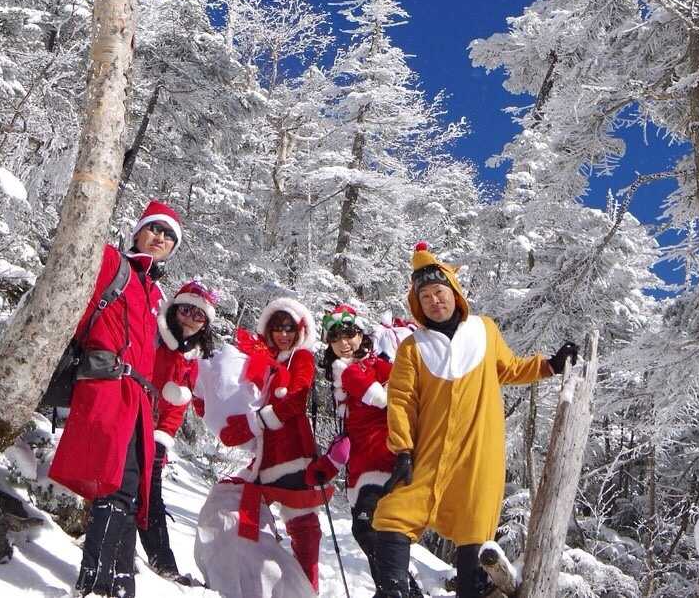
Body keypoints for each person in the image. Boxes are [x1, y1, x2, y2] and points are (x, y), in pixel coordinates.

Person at [367, 243, 579, 598]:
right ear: (417, 304)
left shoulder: (484, 330)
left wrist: (549, 365)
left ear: (454, 293)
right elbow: (401, 400)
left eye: (440, 292)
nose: (434, 301)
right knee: (394, 513)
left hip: (479, 453)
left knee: (475, 527)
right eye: (425, 297)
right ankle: (393, 591)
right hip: (430, 452)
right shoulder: (413, 346)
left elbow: (509, 368)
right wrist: (403, 449)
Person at [48, 199, 184, 598]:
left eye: (169, 236)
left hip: (137, 401)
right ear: (138, 232)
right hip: (107, 388)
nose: (160, 238)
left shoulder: (154, 292)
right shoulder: (113, 263)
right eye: (154, 229)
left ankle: (121, 586)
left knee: (131, 491)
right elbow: (77, 252)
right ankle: (94, 585)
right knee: (115, 487)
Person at [218, 297, 324, 591]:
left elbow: (297, 399)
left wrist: (259, 420)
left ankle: (308, 589)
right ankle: (252, 582)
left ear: (300, 330)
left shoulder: (301, 358)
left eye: (290, 328)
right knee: (244, 515)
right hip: (265, 455)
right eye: (277, 328)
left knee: (302, 525)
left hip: (293, 452)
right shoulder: (264, 360)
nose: (284, 334)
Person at [320, 304, 422, 598]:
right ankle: (394, 589)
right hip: (361, 463)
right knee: (366, 529)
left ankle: (398, 590)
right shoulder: (341, 374)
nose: (344, 343)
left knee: (368, 527)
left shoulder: (368, 367)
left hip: (382, 457)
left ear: (361, 334)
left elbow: (393, 397)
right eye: (335, 338)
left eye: (349, 334)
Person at [138, 279, 220, 586]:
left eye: (199, 316)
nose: (190, 320)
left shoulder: (191, 357)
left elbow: (178, 405)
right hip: (130, 421)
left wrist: (162, 438)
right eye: (186, 310)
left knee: (151, 494)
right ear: (174, 308)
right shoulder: (152, 334)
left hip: (155, 433)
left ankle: (163, 562)